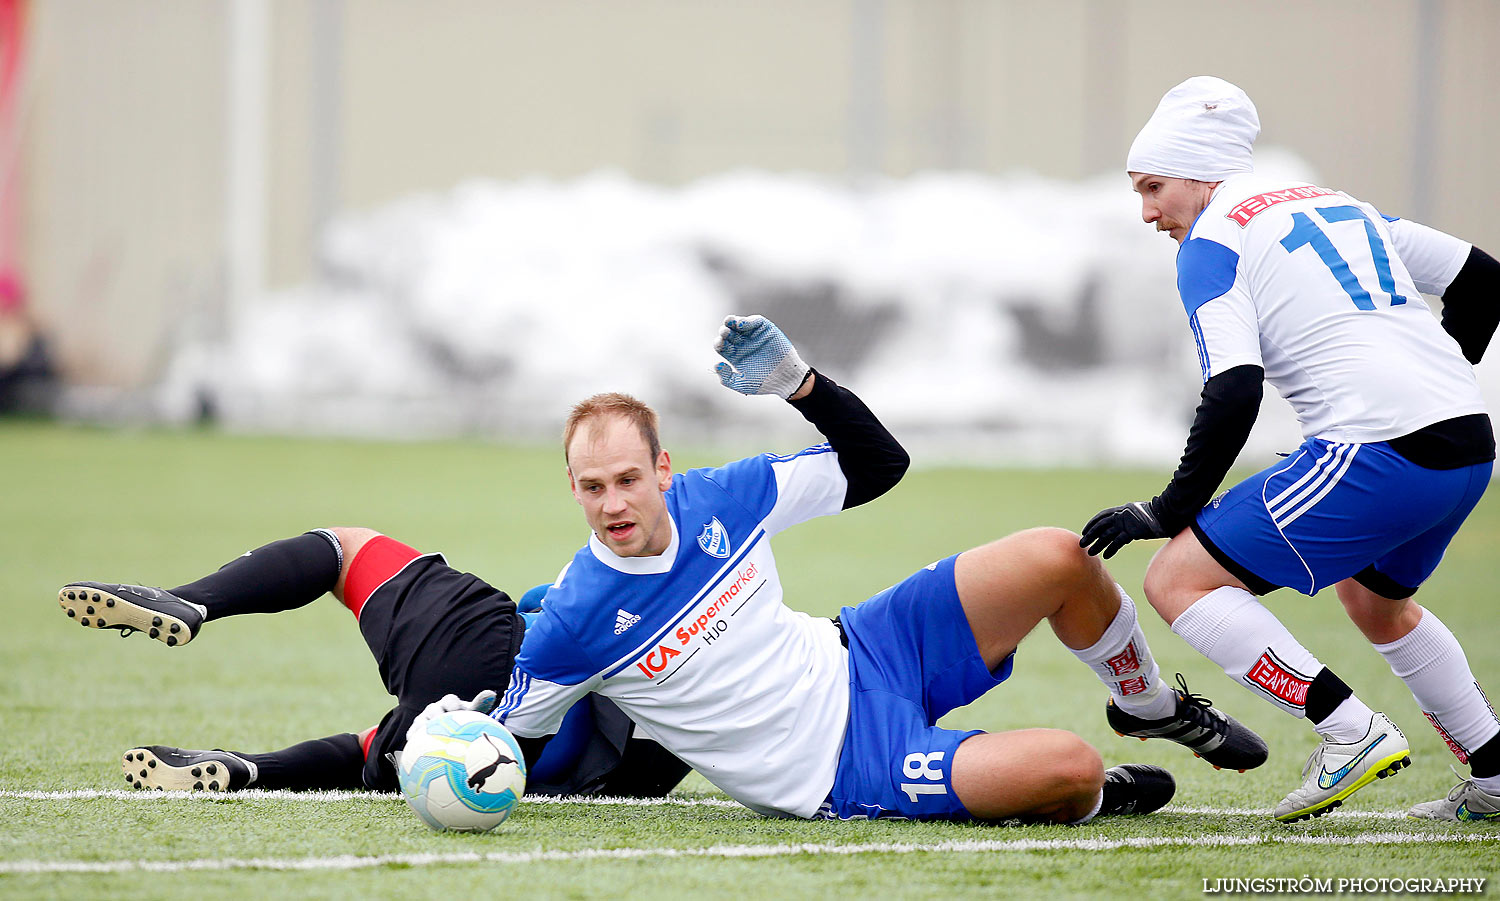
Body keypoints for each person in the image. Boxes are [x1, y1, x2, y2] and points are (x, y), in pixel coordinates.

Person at [421, 314, 1270, 825]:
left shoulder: (726, 496)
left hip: (864, 647)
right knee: (1071, 767)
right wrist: (448, 746)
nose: (615, 502)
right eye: (594, 486)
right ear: (572, 489)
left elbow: (880, 464)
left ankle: (1151, 704)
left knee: (1059, 553)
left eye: (630, 479)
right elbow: (517, 735)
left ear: (664, 469)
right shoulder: (572, 619)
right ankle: (1088, 788)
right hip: (844, 765)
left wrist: (801, 384)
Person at [1080, 76, 1500, 824]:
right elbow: (1486, 280)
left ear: (1204, 172)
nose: (1146, 211)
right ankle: (1498, 773)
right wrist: (1437, 383)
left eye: (1154, 187)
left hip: (1382, 448)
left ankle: (1350, 731)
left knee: (1178, 578)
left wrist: (1167, 508)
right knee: (1376, 601)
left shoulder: (1214, 239)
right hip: (1467, 444)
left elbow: (1235, 388)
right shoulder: (1337, 203)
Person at [58, 533, 690, 799]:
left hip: (498, 659)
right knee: (385, 747)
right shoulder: (695, 741)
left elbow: (561, 616)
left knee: (345, 550)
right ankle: (254, 771)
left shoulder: (679, 587)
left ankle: (195, 601)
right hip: (503, 770)